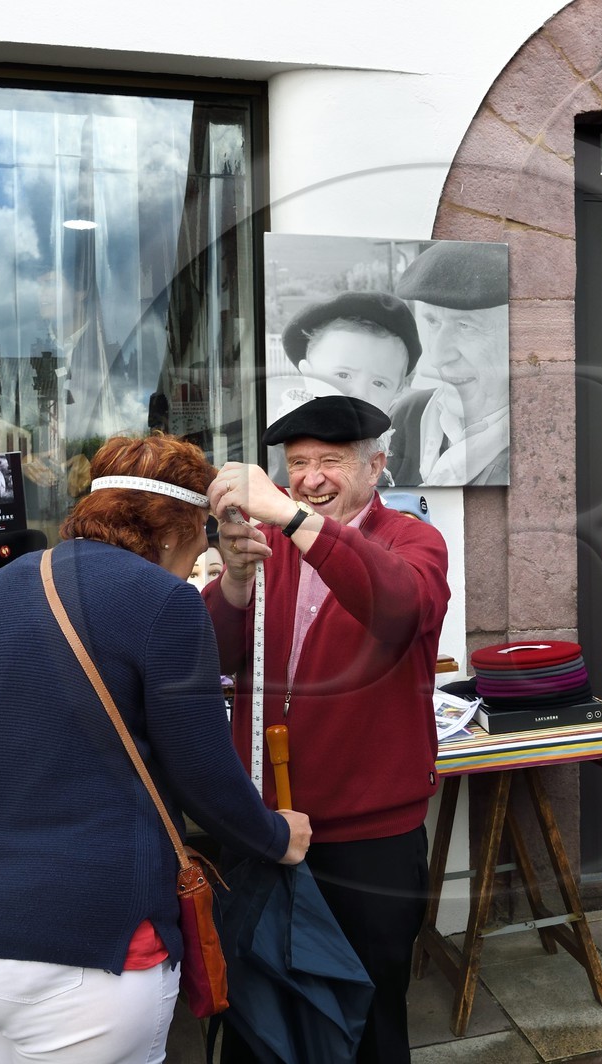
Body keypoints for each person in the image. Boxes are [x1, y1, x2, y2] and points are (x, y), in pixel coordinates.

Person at [0, 433, 311, 1063]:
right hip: (90, 945)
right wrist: (275, 836)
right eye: (200, 538)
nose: (200, 551)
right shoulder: (167, 602)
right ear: (171, 533)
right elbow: (201, 771)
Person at [204, 394, 449, 1063]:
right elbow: (212, 655)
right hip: (266, 826)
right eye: (297, 463)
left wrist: (290, 514)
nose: (310, 477)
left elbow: (398, 607)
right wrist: (232, 581)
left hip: (368, 837)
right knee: (258, 1013)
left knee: (367, 1016)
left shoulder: (411, 540)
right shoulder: (270, 547)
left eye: (330, 462)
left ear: (376, 465)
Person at [386, 241, 511, 486]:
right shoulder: (410, 415)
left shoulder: (542, 442)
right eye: (433, 322)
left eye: (466, 326)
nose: (438, 357)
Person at [279, 290, 422, 416]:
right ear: (310, 376)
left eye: (379, 383)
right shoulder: (303, 429)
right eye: (343, 375)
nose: (359, 394)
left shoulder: (376, 431)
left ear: (397, 392)